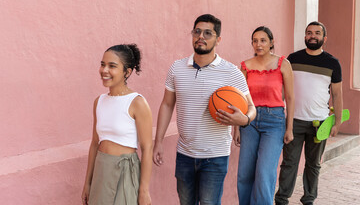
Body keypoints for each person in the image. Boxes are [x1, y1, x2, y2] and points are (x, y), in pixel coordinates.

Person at [152, 14, 256, 205]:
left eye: (208, 33)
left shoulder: (231, 72)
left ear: (218, 39)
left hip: (215, 156)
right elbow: (167, 104)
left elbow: (251, 107)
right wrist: (158, 141)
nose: (201, 36)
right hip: (184, 153)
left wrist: (244, 120)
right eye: (197, 31)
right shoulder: (177, 68)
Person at [275, 21, 343, 205]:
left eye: (317, 33)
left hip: (319, 123)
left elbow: (337, 94)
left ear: (324, 38)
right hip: (293, 121)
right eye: (309, 33)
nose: (313, 36)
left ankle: (309, 199)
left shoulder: (333, 63)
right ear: (305, 36)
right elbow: (282, 88)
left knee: (314, 165)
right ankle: (282, 199)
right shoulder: (292, 59)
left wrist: (337, 123)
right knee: (289, 163)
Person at [81, 44, 153, 205]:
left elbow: (147, 148)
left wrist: (144, 191)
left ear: (127, 72)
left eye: (112, 66)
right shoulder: (99, 102)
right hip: (101, 170)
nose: (104, 70)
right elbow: (94, 144)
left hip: (126, 172)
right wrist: (87, 183)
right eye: (102, 64)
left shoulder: (137, 102)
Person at [232, 26, 294, 205]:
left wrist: (289, 128)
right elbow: (239, 99)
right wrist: (237, 128)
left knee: (264, 172)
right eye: (255, 41)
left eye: (263, 40)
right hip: (249, 121)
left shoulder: (283, 63)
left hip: (274, 121)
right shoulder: (245, 66)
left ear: (272, 42)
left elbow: (289, 97)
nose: (258, 44)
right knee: (245, 172)